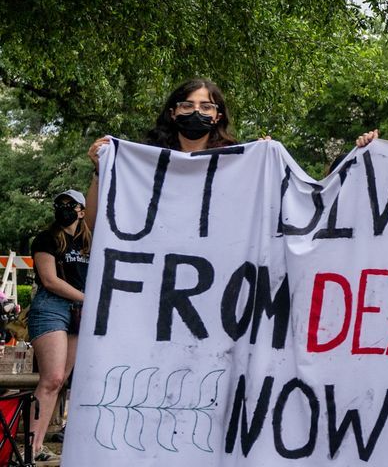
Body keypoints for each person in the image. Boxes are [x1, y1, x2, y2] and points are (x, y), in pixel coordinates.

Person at [85, 78, 238, 229]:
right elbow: (92, 224)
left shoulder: (233, 164)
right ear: (173, 113)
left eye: (206, 107)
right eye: (187, 105)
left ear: (217, 116)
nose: (196, 111)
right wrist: (99, 171)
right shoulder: (144, 163)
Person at [26, 190, 89, 460]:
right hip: (51, 306)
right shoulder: (46, 238)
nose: (64, 208)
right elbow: (50, 280)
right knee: (51, 378)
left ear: (82, 210)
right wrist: (90, 299)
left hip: (79, 312)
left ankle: (37, 446)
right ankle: (30, 447)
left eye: (70, 205)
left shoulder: (90, 241)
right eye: (60, 204)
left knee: (60, 379)